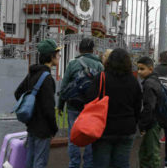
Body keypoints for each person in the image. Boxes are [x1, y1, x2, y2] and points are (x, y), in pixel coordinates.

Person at [83, 49, 142, 168]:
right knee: (122, 163)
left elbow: (89, 100)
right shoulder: (133, 81)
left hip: (103, 128)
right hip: (126, 128)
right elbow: (137, 105)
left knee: (101, 163)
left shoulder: (101, 78)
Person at [14, 39, 61, 168]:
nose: (59, 57)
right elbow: (48, 108)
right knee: (40, 162)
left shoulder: (32, 74)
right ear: (51, 56)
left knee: (30, 160)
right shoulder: (47, 78)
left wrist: (31, 108)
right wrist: (54, 128)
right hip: (43, 129)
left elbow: (18, 93)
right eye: (57, 54)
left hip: (32, 125)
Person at [58, 38, 103, 168]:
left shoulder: (72, 64)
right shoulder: (99, 65)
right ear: (93, 50)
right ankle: (88, 164)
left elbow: (64, 86)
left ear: (78, 49)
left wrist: (60, 105)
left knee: (73, 136)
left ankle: (74, 164)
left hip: (73, 105)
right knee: (90, 135)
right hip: (91, 107)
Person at [137, 56, 162, 168]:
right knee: (145, 152)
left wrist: (143, 125)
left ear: (150, 69)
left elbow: (149, 107)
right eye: (138, 69)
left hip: (152, 123)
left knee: (152, 154)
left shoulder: (149, 84)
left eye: (142, 69)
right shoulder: (155, 80)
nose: (139, 72)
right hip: (155, 120)